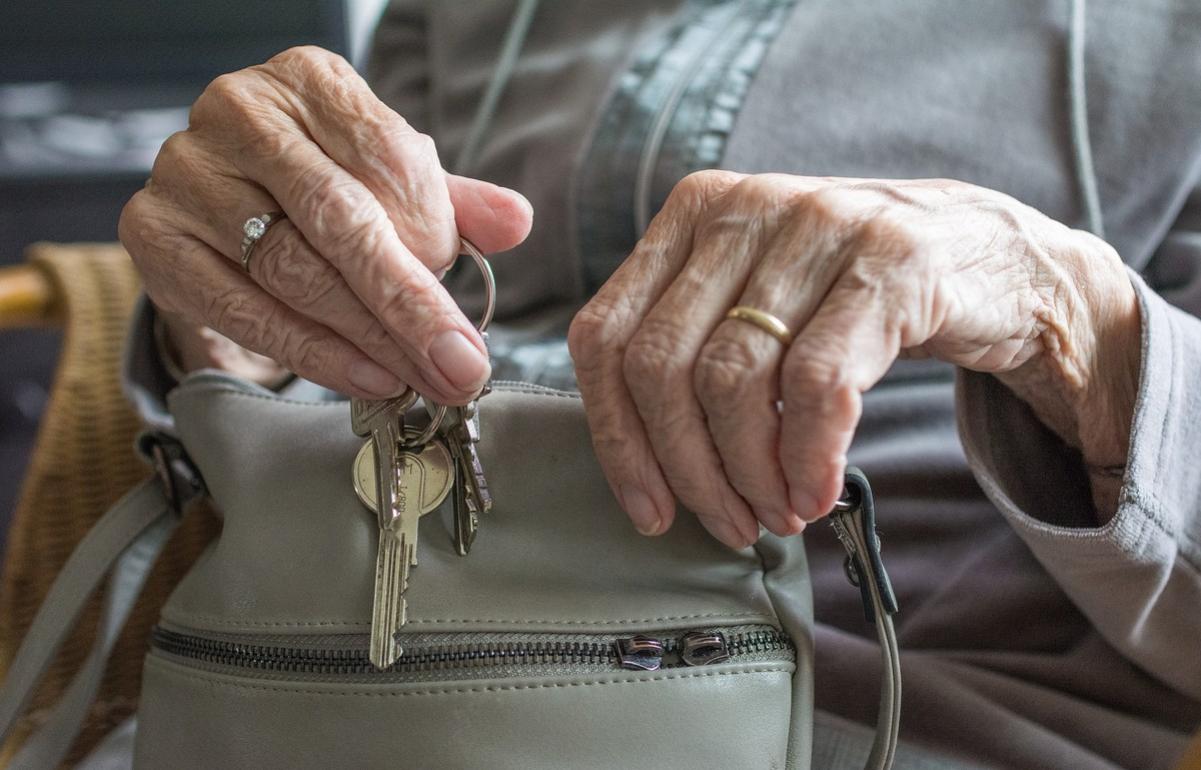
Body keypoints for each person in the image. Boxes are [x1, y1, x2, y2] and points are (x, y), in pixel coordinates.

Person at [117, 2, 1201, 767]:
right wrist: (237, 286)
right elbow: (313, 297)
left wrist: (1061, 305)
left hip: (884, 715)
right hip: (282, 672)